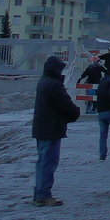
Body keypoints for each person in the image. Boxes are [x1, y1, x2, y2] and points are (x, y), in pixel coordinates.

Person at [30, 55, 81, 206]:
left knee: (42, 161)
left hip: (42, 128)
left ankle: (39, 193)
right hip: (51, 128)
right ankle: (44, 195)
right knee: (49, 162)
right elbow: (66, 104)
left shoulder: (43, 81)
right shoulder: (54, 84)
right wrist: (75, 114)